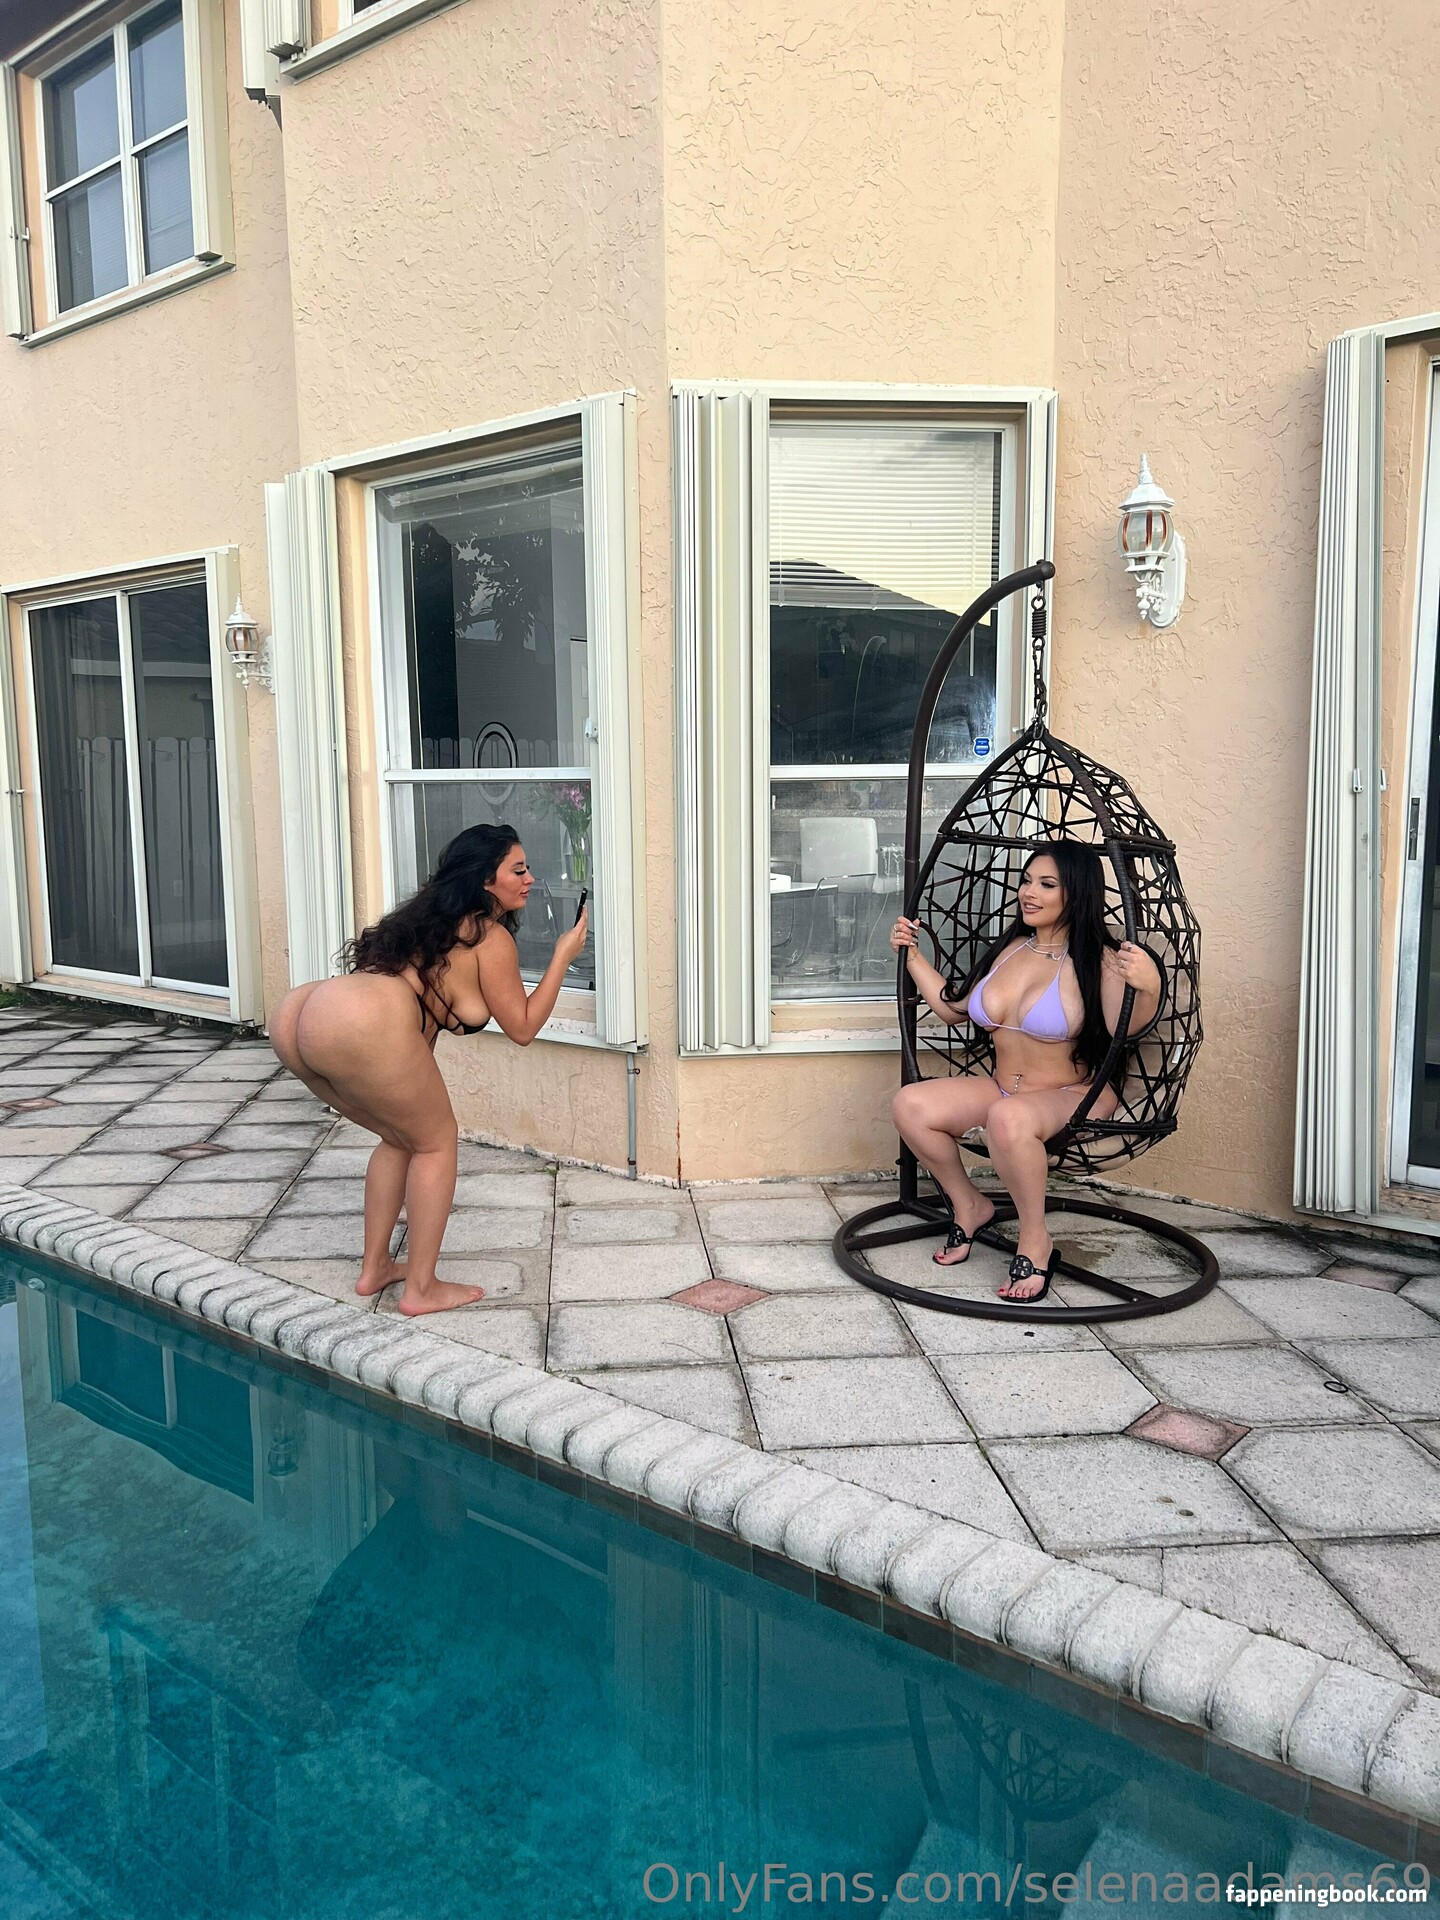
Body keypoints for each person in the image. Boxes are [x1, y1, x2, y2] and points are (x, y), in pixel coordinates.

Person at [270, 824, 588, 1316]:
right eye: (518, 870)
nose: (530, 879)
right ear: (485, 879)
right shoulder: (488, 936)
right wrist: (563, 955)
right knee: (437, 1143)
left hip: (299, 1013)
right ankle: (420, 1288)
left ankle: (375, 1268)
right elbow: (523, 1028)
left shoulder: (427, 923)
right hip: (355, 1019)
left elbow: (418, 1026)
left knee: (400, 1137)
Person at [888, 842, 1160, 1302]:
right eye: (1027, 880)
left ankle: (1035, 1239)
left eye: (1047, 884)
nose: (1029, 893)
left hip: (1074, 1093)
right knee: (910, 1104)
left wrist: (1147, 987)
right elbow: (954, 1009)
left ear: (1078, 892)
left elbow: (1125, 1028)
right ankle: (969, 1206)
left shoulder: (1101, 959)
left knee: (1007, 1117)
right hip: (1005, 1090)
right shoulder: (1012, 948)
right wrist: (912, 955)